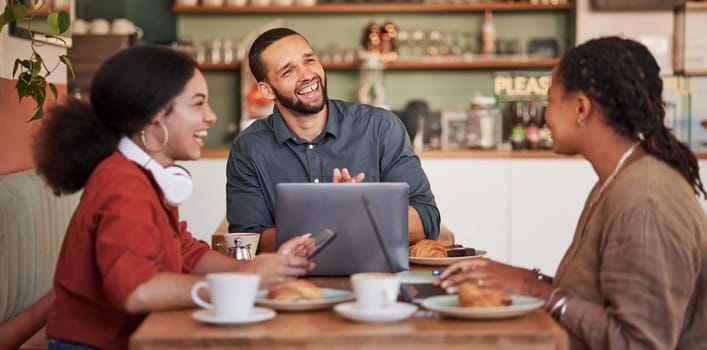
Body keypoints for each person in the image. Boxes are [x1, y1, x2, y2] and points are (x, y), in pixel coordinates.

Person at [34, 45, 315, 350]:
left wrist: (263, 267)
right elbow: (136, 291)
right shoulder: (122, 185)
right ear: (155, 114)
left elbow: (187, 253)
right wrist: (243, 283)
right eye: (198, 104)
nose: (211, 116)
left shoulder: (144, 176)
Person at [435, 36, 707, 349]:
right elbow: (597, 301)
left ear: (581, 108)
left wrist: (540, 293)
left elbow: (638, 342)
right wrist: (530, 281)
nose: (545, 116)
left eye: (550, 102)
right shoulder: (618, 181)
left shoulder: (645, 200)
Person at [226, 27, 441, 252]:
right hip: (292, 279)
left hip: (373, 276)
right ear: (267, 90)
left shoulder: (380, 127)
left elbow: (426, 220)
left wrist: (359, 211)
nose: (307, 75)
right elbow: (249, 241)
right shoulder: (248, 148)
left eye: (309, 61)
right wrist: (330, 218)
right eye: (288, 71)